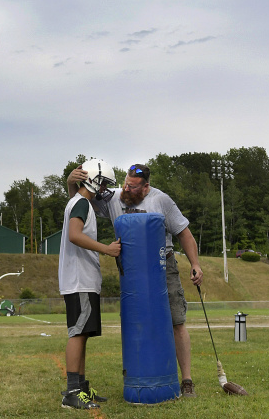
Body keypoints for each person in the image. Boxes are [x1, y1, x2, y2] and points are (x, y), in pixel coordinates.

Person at [68, 162, 203, 398]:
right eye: (125, 185)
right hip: (130, 268)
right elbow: (80, 204)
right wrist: (71, 183)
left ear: (146, 187)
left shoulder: (162, 201)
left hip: (163, 264)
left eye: (132, 188)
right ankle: (138, 372)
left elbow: (184, 233)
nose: (126, 191)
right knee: (135, 321)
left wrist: (195, 264)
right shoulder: (114, 198)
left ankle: (187, 380)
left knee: (176, 321)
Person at [59, 158, 122, 410]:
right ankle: (72, 392)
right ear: (94, 181)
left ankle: (81, 388)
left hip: (81, 279)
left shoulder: (79, 201)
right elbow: (75, 235)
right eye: (105, 183)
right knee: (78, 332)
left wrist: (69, 184)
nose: (106, 190)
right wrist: (106, 249)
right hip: (79, 279)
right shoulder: (82, 203)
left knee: (83, 333)